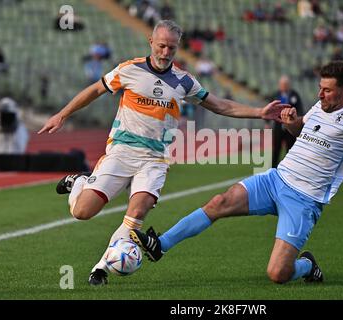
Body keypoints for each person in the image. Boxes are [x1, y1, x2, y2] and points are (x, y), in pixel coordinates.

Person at [38, 20, 287, 286]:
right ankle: (79, 182)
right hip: (121, 152)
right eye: (161, 46)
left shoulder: (184, 81)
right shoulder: (129, 69)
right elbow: (96, 90)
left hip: (155, 159)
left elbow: (220, 105)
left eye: (171, 48)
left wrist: (258, 112)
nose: (166, 52)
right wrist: (62, 114)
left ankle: (101, 267)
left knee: (137, 214)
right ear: (151, 42)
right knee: (83, 212)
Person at [130, 61, 343, 285]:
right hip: (276, 180)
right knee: (219, 202)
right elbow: (299, 131)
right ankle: (160, 245)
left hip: (305, 199)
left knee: (278, 273)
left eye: (327, 90)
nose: (320, 94)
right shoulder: (319, 107)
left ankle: (307, 266)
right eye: (320, 88)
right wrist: (292, 123)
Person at [267, 75, 304, 168]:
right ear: (279, 85)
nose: (284, 86)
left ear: (289, 85)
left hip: (290, 126)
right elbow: (269, 109)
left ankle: (290, 167)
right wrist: (267, 122)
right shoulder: (275, 95)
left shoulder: (294, 95)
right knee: (276, 148)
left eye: (286, 84)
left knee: (290, 147)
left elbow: (299, 109)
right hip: (278, 126)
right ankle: (273, 168)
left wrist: (296, 121)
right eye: (282, 84)